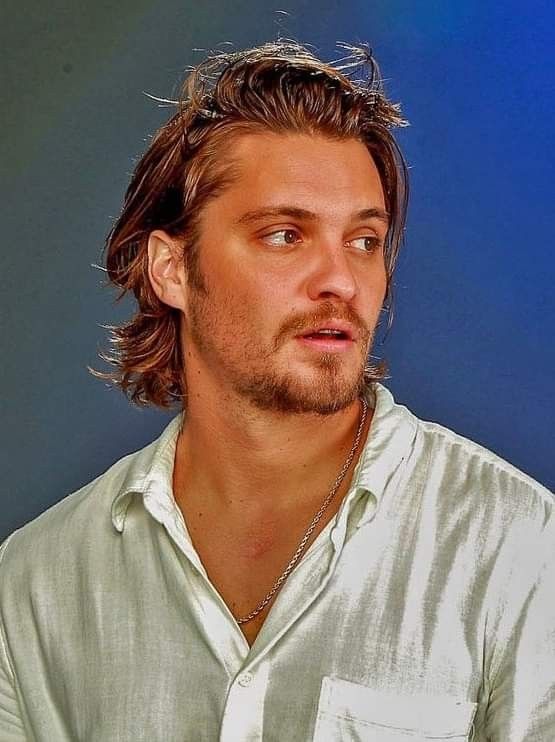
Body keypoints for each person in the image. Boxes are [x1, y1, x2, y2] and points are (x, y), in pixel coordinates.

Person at [0, 39, 553, 742]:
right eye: (285, 235)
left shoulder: (518, 549)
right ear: (171, 269)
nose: (341, 282)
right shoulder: (35, 583)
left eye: (362, 241)